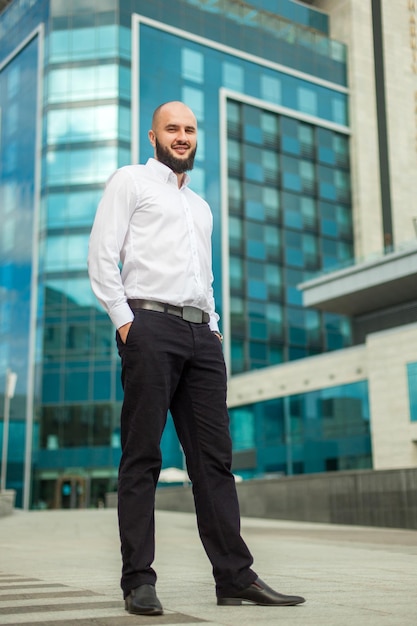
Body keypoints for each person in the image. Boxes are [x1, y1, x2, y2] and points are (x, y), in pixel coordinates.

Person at [88, 101, 305, 616]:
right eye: (172, 129)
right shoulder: (130, 182)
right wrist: (125, 322)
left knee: (215, 462)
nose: (182, 137)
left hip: (201, 336)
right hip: (149, 325)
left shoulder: (201, 207)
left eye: (189, 129)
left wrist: (214, 329)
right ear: (153, 136)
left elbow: (202, 278)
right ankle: (138, 580)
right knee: (142, 456)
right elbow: (102, 254)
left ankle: (234, 577)